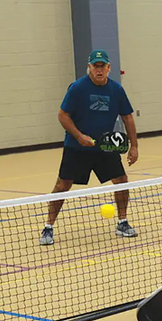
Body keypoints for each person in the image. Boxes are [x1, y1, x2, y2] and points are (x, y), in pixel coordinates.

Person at [39, 49, 139, 246]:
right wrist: (79, 136)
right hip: (76, 147)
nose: (99, 70)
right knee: (62, 185)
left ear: (109, 68)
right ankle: (48, 227)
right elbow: (63, 115)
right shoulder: (78, 88)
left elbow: (127, 117)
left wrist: (134, 146)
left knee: (122, 181)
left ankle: (122, 222)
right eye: (95, 66)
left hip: (105, 147)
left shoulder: (116, 90)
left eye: (103, 66)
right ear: (89, 67)